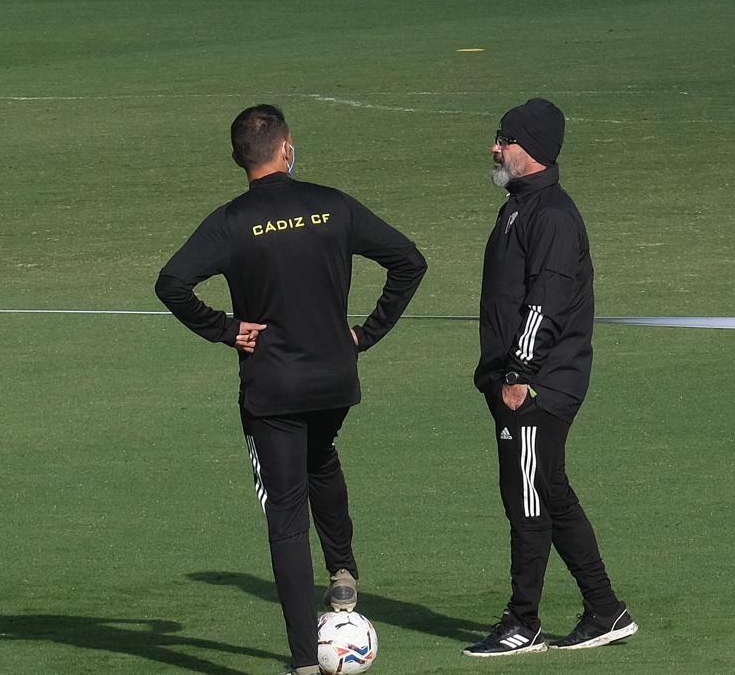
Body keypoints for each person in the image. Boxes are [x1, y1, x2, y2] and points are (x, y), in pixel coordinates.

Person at [155, 104, 427, 675]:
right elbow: (409, 262)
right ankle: (343, 569)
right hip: (334, 379)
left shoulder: (231, 222)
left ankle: (306, 661)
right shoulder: (333, 205)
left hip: (273, 388)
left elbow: (172, 282)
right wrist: (366, 334)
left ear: (239, 160)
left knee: (284, 514)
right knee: (321, 457)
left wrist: (227, 330)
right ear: (287, 148)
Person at [464, 98, 637, 657]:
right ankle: (606, 610)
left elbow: (547, 302)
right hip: (523, 380)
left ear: (532, 150)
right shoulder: (521, 206)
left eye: (505, 139)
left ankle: (523, 621)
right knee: (551, 491)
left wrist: (517, 374)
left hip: (538, 385)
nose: (495, 146)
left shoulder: (553, 216)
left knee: (527, 497)